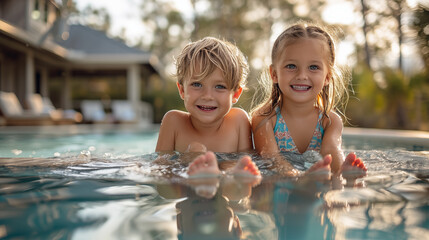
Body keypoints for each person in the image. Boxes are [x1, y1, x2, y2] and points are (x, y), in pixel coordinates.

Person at [251, 22, 366, 184]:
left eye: (313, 67)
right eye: (291, 66)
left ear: (327, 77)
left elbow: (331, 151)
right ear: (274, 74)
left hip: (317, 189)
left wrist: (340, 171)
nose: (302, 75)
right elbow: (272, 161)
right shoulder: (265, 118)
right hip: (280, 192)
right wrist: (300, 178)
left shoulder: (330, 121)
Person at [155, 36, 252, 154]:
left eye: (220, 87)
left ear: (235, 94)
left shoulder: (238, 121)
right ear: (182, 91)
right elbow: (160, 168)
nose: (207, 96)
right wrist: (187, 161)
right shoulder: (173, 122)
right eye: (197, 84)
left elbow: (247, 164)